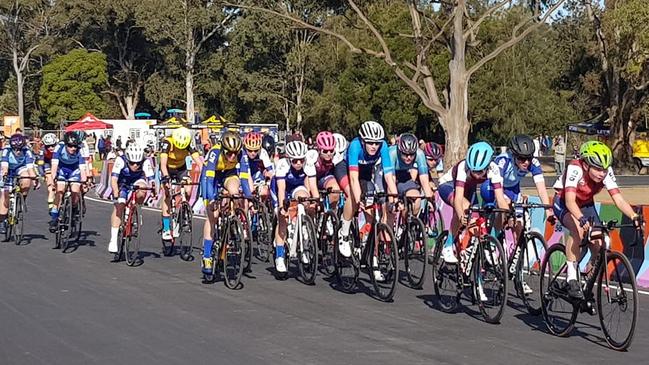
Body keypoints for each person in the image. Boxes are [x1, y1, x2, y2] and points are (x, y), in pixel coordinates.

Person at [552, 141, 641, 299]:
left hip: (586, 204)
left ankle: (587, 282)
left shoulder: (606, 172)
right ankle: (571, 278)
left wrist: (634, 216)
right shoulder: (575, 168)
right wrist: (580, 219)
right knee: (577, 230)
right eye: (598, 169)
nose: (602, 173)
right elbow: (570, 202)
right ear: (586, 165)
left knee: (601, 243)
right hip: (564, 201)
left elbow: (619, 200)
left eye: (605, 169)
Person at [336, 121, 398, 281]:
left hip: (366, 172)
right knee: (354, 197)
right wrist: (359, 198)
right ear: (363, 141)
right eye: (370, 143)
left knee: (374, 218)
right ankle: (343, 232)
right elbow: (354, 180)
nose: (374, 146)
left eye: (376, 143)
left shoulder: (383, 146)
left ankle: (372, 257)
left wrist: (394, 197)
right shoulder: (355, 147)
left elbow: (388, 176)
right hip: (346, 169)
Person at [437, 141, 509, 267]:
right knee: (464, 208)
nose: (476, 174)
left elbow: (500, 199)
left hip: (470, 189)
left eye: (480, 171)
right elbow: (459, 199)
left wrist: (508, 214)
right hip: (448, 186)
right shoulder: (462, 167)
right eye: (473, 170)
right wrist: (461, 216)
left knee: (478, 223)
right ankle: (448, 245)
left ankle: (474, 249)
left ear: (487, 166)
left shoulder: (494, 169)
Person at [200, 131, 252, 275]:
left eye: (235, 153)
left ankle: (233, 222)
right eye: (229, 153)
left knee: (235, 193)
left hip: (228, 175)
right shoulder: (214, 153)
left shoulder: (241, 154)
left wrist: (248, 196)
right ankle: (207, 256)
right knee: (213, 215)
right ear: (223, 149)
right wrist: (211, 199)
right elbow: (209, 180)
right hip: (211, 177)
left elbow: (244, 178)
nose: (233, 156)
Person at [273, 140, 318, 273]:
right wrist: (282, 208)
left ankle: (304, 235)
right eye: (295, 161)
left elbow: (313, 188)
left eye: (301, 160)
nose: (298, 163)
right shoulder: (282, 165)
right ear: (289, 159)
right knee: (283, 218)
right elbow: (281, 189)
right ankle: (279, 256)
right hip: (281, 189)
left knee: (306, 199)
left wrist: (316, 203)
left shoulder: (308, 164)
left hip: (297, 187)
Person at [108, 144, 155, 254]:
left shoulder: (145, 161)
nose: (135, 166)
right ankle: (113, 239)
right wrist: (115, 192)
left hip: (137, 181)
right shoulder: (120, 160)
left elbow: (151, 179)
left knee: (143, 189)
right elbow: (113, 179)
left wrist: (154, 189)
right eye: (132, 163)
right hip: (122, 183)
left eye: (138, 163)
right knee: (119, 206)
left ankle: (137, 208)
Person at [159, 127, 202, 240]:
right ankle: (166, 228)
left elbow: (199, 162)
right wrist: (166, 177)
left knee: (188, 189)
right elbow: (163, 164)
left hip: (181, 168)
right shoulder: (168, 142)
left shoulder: (187, 143)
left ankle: (182, 213)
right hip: (167, 168)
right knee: (167, 194)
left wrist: (206, 174)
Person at [48, 132, 88, 232]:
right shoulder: (59, 148)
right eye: (70, 146)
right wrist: (53, 179)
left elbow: (83, 169)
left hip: (75, 170)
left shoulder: (80, 150)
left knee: (75, 192)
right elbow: (54, 166)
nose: (73, 148)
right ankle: (54, 218)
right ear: (65, 144)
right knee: (60, 191)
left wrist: (84, 181)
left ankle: (73, 212)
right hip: (62, 169)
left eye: (75, 146)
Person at [0, 134, 39, 234]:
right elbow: (4, 167)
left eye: (19, 149)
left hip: (20, 168)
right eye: (15, 149)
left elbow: (30, 168)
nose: (17, 151)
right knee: (5, 196)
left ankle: (22, 198)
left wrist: (35, 179)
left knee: (26, 178)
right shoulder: (7, 150)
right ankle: (2, 220)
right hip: (8, 169)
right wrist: (4, 176)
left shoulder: (27, 151)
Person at [387, 133, 434, 216]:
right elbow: (391, 179)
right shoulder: (392, 153)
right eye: (405, 154)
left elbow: (424, 179)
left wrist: (429, 199)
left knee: (417, 198)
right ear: (399, 150)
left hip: (404, 174)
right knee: (390, 211)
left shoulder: (420, 154)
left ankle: (408, 224)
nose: (408, 157)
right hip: (388, 175)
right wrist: (394, 200)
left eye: (412, 154)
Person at [37, 133, 59, 212]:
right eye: (48, 146)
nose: (50, 148)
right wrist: (42, 175)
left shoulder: (60, 148)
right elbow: (40, 164)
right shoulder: (42, 151)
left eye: (53, 145)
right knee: (51, 187)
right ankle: (50, 205)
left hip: (59, 164)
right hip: (47, 164)